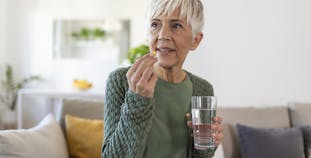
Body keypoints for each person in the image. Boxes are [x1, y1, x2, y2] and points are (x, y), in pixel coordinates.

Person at [102, 0, 224, 157]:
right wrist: (137, 99)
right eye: (155, 25)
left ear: (195, 40)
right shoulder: (121, 81)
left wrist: (208, 146)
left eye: (176, 25)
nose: (162, 35)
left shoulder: (203, 88)